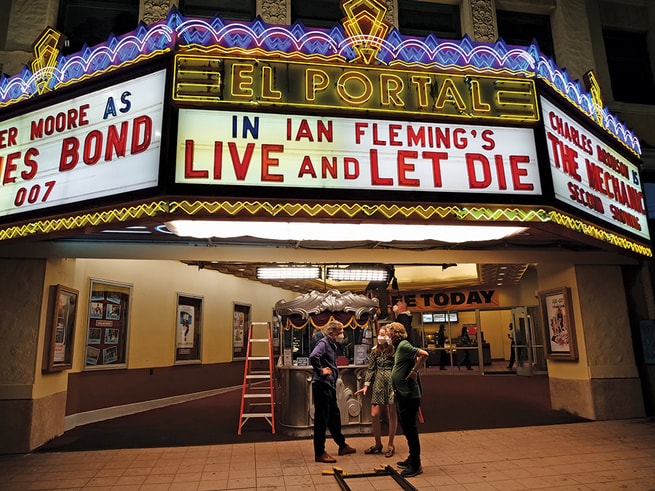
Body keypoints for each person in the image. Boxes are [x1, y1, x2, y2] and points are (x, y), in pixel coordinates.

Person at [309, 320, 357, 463]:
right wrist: (321, 370)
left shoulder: (332, 344)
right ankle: (319, 453)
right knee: (321, 420)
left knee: (334, 417)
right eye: (339, 332)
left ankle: (342, 445)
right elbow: (313, 356)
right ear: (332, 333)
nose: (342, 335)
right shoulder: (323, 343)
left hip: (328, 386)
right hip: (322, 385)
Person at [387, 321, 428, 478]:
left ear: (396, 333)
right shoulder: (399, 347)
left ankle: (416, 463)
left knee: (410, 429)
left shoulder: (404, 345)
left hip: (409, 394)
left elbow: (424, 354)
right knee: (407, 427)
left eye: (390, 333)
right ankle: (412, 457)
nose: (388, 336)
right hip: (402, 393)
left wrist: (414, 371)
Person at [354, 326, 398, 458]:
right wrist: (366, 385)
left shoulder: (394, 350)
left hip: (391, 380)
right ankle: (378, 443)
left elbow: (397, 366)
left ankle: (391, 444)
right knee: (374, 414)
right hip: (378, 382)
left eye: (383, 335)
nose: (380, 337)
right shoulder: (375, 351)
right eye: (379, 334)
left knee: (391, 413)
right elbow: (371, 368)